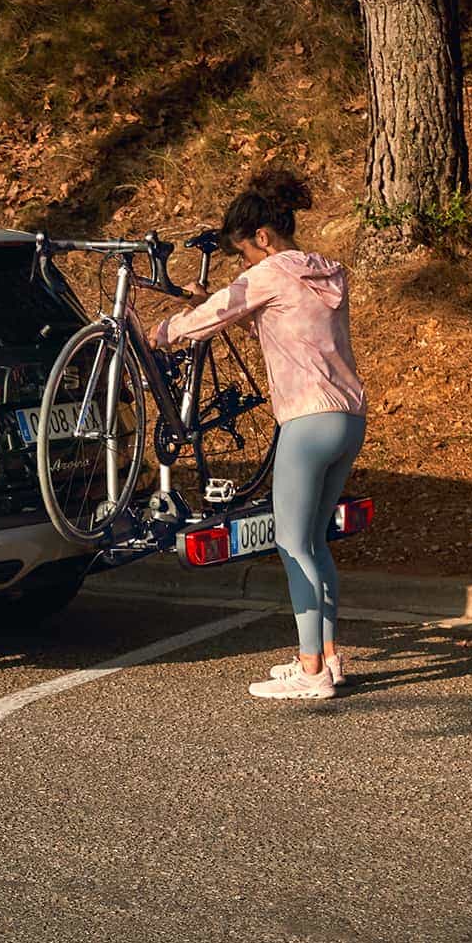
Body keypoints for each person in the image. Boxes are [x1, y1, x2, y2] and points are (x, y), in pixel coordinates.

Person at [149, 170, 366, 701]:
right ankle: (329, 658)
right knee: (316, 541)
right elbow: (283, 325)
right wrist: (230, 306)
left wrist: (161, 333)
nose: (248, 263)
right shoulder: (327, 273)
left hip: (307, 422)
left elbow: (207, 319)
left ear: (263, 239)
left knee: (293, 544)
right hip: (348, 419)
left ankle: (311, 670)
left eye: (245, 253)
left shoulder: (270, 272)